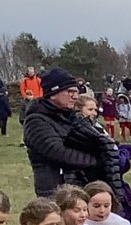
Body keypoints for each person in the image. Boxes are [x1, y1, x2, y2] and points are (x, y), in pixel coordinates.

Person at [22, 67, 117, 196]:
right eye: (69, 91)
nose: (75, 96)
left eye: (76, 92)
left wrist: (109, 151)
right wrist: (99, 161)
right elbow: (59, 152)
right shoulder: (36, 121)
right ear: (53, 93)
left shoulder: (74, 118)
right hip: (55, 192)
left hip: (82, 188)